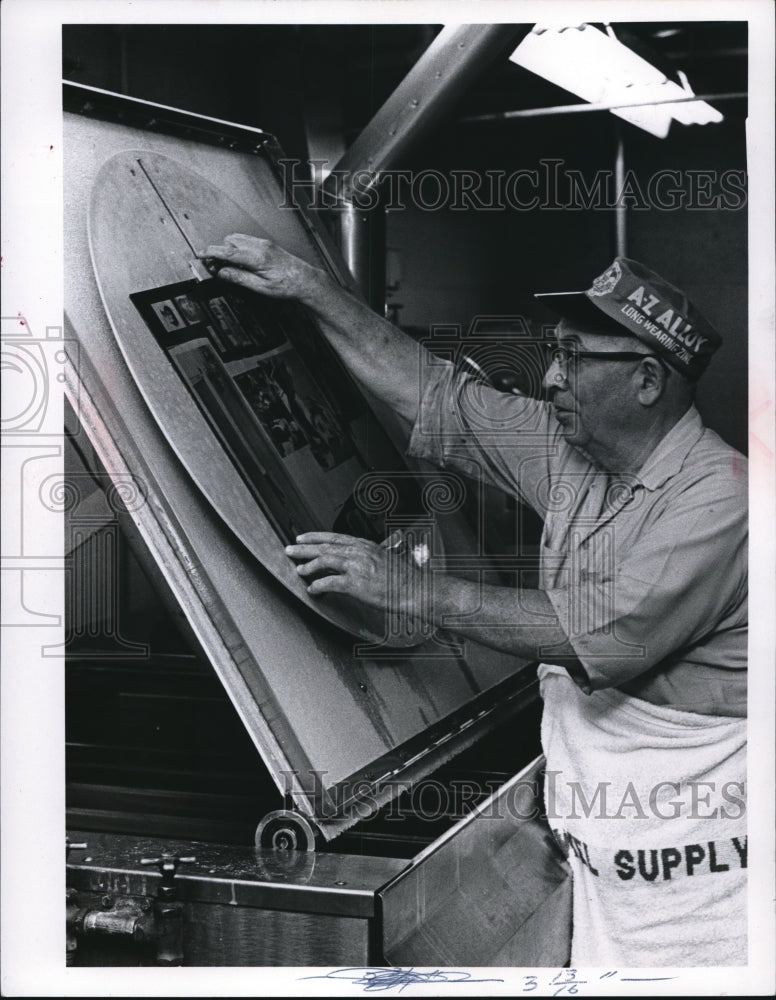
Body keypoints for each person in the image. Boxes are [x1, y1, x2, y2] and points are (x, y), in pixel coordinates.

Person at [201, 234, 747, 968]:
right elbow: (434, 397)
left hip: (709, 884)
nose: (551, 377)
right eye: (556, 352)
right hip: (616, 868)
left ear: (647, 381)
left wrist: (409, 589)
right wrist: (309, 288)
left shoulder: (723, 499)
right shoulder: (574, 452)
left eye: (575, 359)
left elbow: (591, 635)